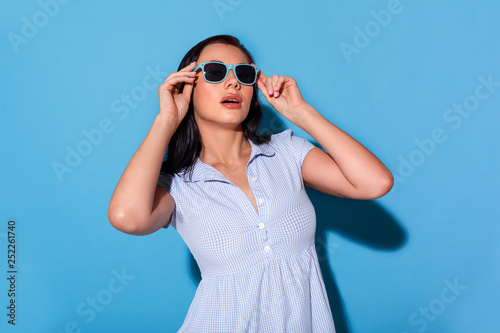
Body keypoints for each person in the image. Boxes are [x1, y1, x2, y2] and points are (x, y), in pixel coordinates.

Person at [108, 34, 394, 332]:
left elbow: (375, 183)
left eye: (244, 74)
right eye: (215, 72)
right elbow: (127, 218)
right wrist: (166, 119)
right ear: (187, 87)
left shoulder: (286, 152)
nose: (233, 83)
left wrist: (300, 113)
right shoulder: (178, 184)